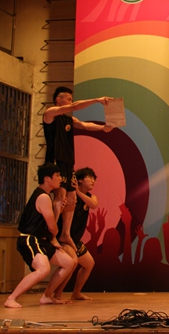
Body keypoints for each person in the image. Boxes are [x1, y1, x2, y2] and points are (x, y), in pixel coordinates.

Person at [43, 86, 112, 247]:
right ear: (58, 100)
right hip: (56, 161)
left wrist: (103, 128)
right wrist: (97, 100)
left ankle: (65, 234)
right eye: (68, 99)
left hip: (68, 162)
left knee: (72, 199)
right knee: (60, 198)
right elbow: (75, 106)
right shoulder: (50, 114)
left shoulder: (69, 120)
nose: (71, 101)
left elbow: (85, 125)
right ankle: (51, 234)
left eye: (71, 99)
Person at [4, 163, 76, 308]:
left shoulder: (46, 196)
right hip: (29, 239)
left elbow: (51, 228)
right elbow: (52, 228)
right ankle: (11, 298)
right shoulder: (43, 197)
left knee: (69, 263)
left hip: (41, 240)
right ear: (47, 179)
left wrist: (57, 211)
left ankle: (47, 295)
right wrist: (54, 231)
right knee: (43, 269)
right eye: (57, 175)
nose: (60, 179)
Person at [53, 167, 99, 301]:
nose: (93, 181)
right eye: (89, 178)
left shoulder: (89, 197)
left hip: (75, 239)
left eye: (94, 179)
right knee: (72, 263)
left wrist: (78, 192)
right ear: (79, 180)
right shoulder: (70, 196)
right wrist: (75, 192)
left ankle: (76, 293)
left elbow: (94, 204)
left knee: (89, 264)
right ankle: (57, 294)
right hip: (64, 238)